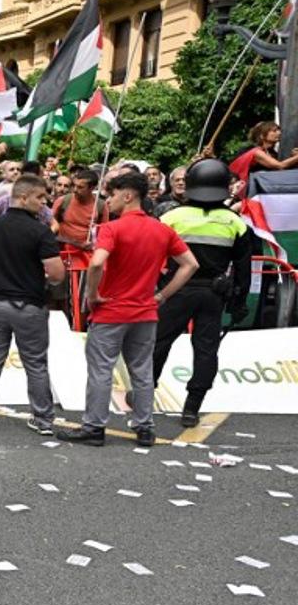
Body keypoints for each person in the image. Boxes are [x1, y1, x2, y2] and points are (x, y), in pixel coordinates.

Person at [57, 172, 198, 448]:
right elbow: (190, 264)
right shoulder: (162, 229)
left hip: (111, 311)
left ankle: (94, 426)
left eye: (111, 195)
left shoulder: (112, 228)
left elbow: (97, 263)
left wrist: (93, 294)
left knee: (101, 370)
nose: (108, 201)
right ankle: (145, 427)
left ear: (128, 195)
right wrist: (162, 295)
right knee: (142, 371)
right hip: (145, 310)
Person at [152, 159, 252, 427]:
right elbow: (243, 271)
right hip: (214, 294)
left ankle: (143, 393)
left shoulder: (170, 217)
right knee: (206, 351)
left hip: (176, 290)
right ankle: (192, 408)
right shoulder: (236, 222)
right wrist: (239, 303)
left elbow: (151, 255)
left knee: (158, 343)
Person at [0, 175, 64, 436]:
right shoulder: (40, 231)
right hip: (28, 304)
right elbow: (56, 274)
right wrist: (40, 277)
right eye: (40, 198)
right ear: (22, 197)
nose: (44, 203)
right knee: (35, 364)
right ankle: (42, 420)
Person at [229, 121, 298, 181]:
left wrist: (293, 157)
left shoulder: (272, 153)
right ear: (262, 136)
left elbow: (278, 171)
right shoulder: (256, 152)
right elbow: (280, 166)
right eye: (274, 131)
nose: (279, 133)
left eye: (279, 130)